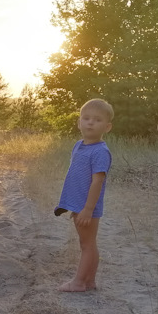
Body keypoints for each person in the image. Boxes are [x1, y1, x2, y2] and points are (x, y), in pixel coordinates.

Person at [54, 99, 114, 293]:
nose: (90, 123)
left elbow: (97, 182)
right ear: (79, 122)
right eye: (86, 118)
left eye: (97, 120)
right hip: (80, 205)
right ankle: (90, 281)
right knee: (88, 243)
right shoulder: (79, 145)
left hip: (88, 207)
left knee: (87, 245)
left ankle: (78, 282)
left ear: (107, 127)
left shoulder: (100, 151)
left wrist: (87, 209)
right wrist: (75, 205)